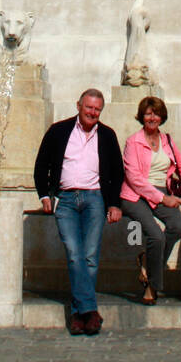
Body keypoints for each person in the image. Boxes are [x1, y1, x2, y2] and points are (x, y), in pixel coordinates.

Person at [33, 88, 124, 336]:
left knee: (90, 256)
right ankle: (89, 311)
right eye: (89, 108)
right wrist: (44, 195)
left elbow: (117, 172)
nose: (92, 112)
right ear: (78, 106)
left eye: (97, 109)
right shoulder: (58, 131)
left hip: (95, 198)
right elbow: (41, 165)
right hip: (67, 199)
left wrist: (114, 203)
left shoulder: (107, 135)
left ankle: (79, 315)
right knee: (74, 254)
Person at [120, 95, 181, 304]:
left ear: (162, 117)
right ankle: (151, 287)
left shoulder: (166, 140)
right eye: (148, 113)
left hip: (160, 191)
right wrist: (163, 198)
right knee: (156, 237)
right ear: (142, 116)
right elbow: (134, 179)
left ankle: (147, 262)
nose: (152, 117)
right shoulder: (133, 142)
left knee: (178, 226)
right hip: (135, 195)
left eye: (156, 113)